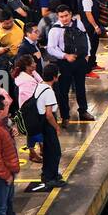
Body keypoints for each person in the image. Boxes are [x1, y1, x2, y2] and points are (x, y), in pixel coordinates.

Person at [46, 5, 95, 122]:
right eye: (61, 16)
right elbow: (51, 48)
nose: (64, 19)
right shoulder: (55, 30)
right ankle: (65, 116)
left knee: (81, 87)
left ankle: (83, 111)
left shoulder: (78, 23)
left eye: (66, 15)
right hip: (64, 63)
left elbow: (85, 37)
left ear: (71, 14)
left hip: (80, 61)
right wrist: (65, 56)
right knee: (63, 90)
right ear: (58, 17)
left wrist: (87, 54)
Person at [26, 63, 64, 192]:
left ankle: (47, 173)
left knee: (48, 150)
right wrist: (57, 127)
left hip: (40, 123)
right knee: (55, 152)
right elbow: (49, 115)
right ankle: (51, 177)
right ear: (54, 77)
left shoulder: (40, 86)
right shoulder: (49, 92)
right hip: (47, 125)